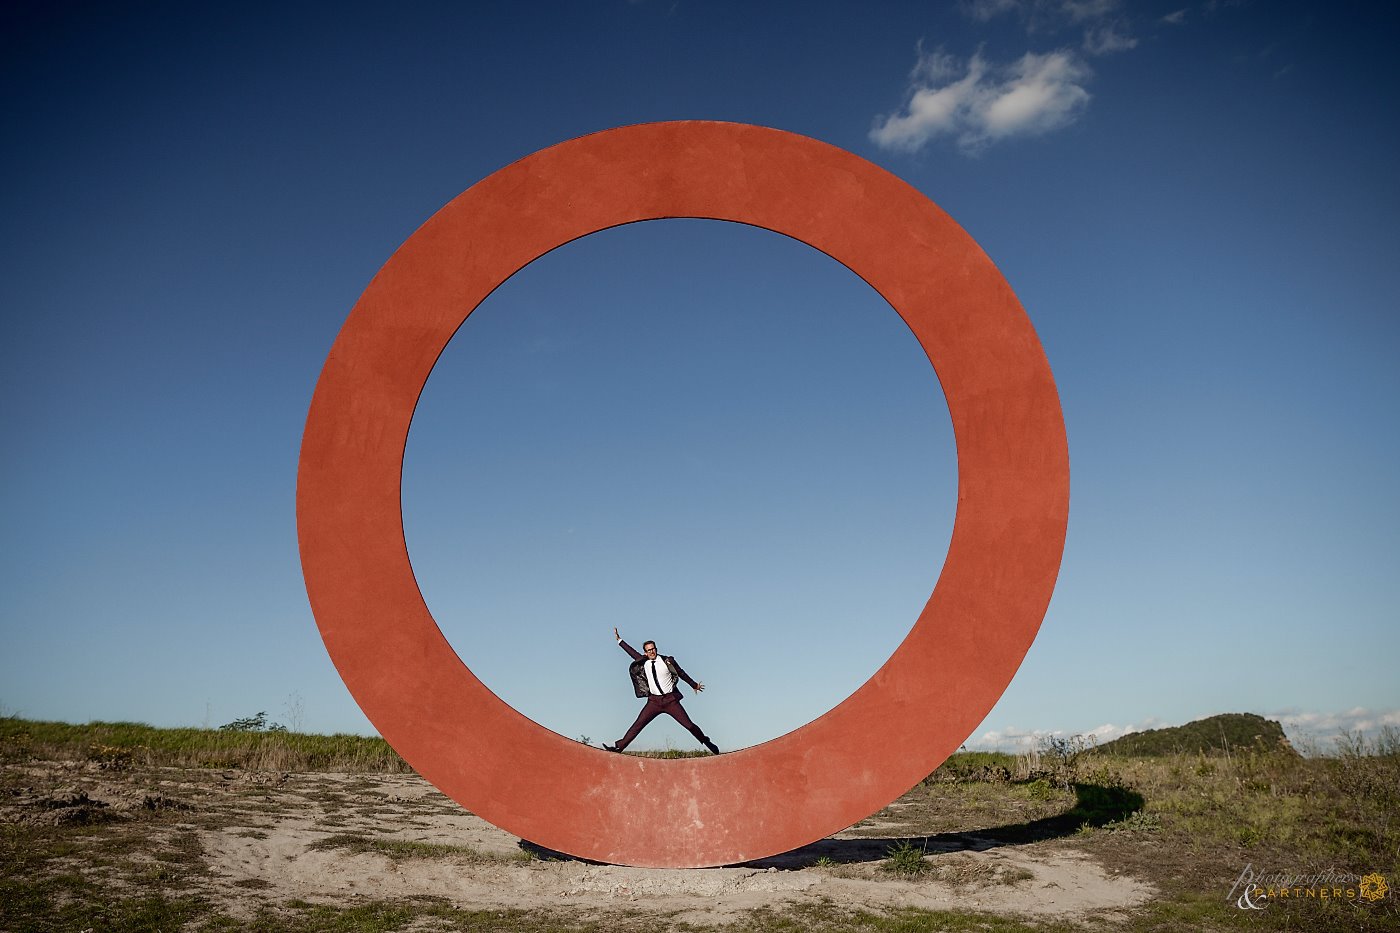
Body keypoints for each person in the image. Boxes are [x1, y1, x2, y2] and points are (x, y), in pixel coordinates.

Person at [605, 627, 720, 755]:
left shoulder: (667, 661)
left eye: (653, 649)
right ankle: (618, 747)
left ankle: (707, 742)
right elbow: (631, 652)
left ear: (656, 649)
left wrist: (693, 685)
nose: (651, 652)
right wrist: (619, 640)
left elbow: (681, 673)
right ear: (645, 652)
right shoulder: (644, 662)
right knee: (637, 725)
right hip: (654, 702)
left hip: (671, 701)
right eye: (648, 650)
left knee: (689, 725)